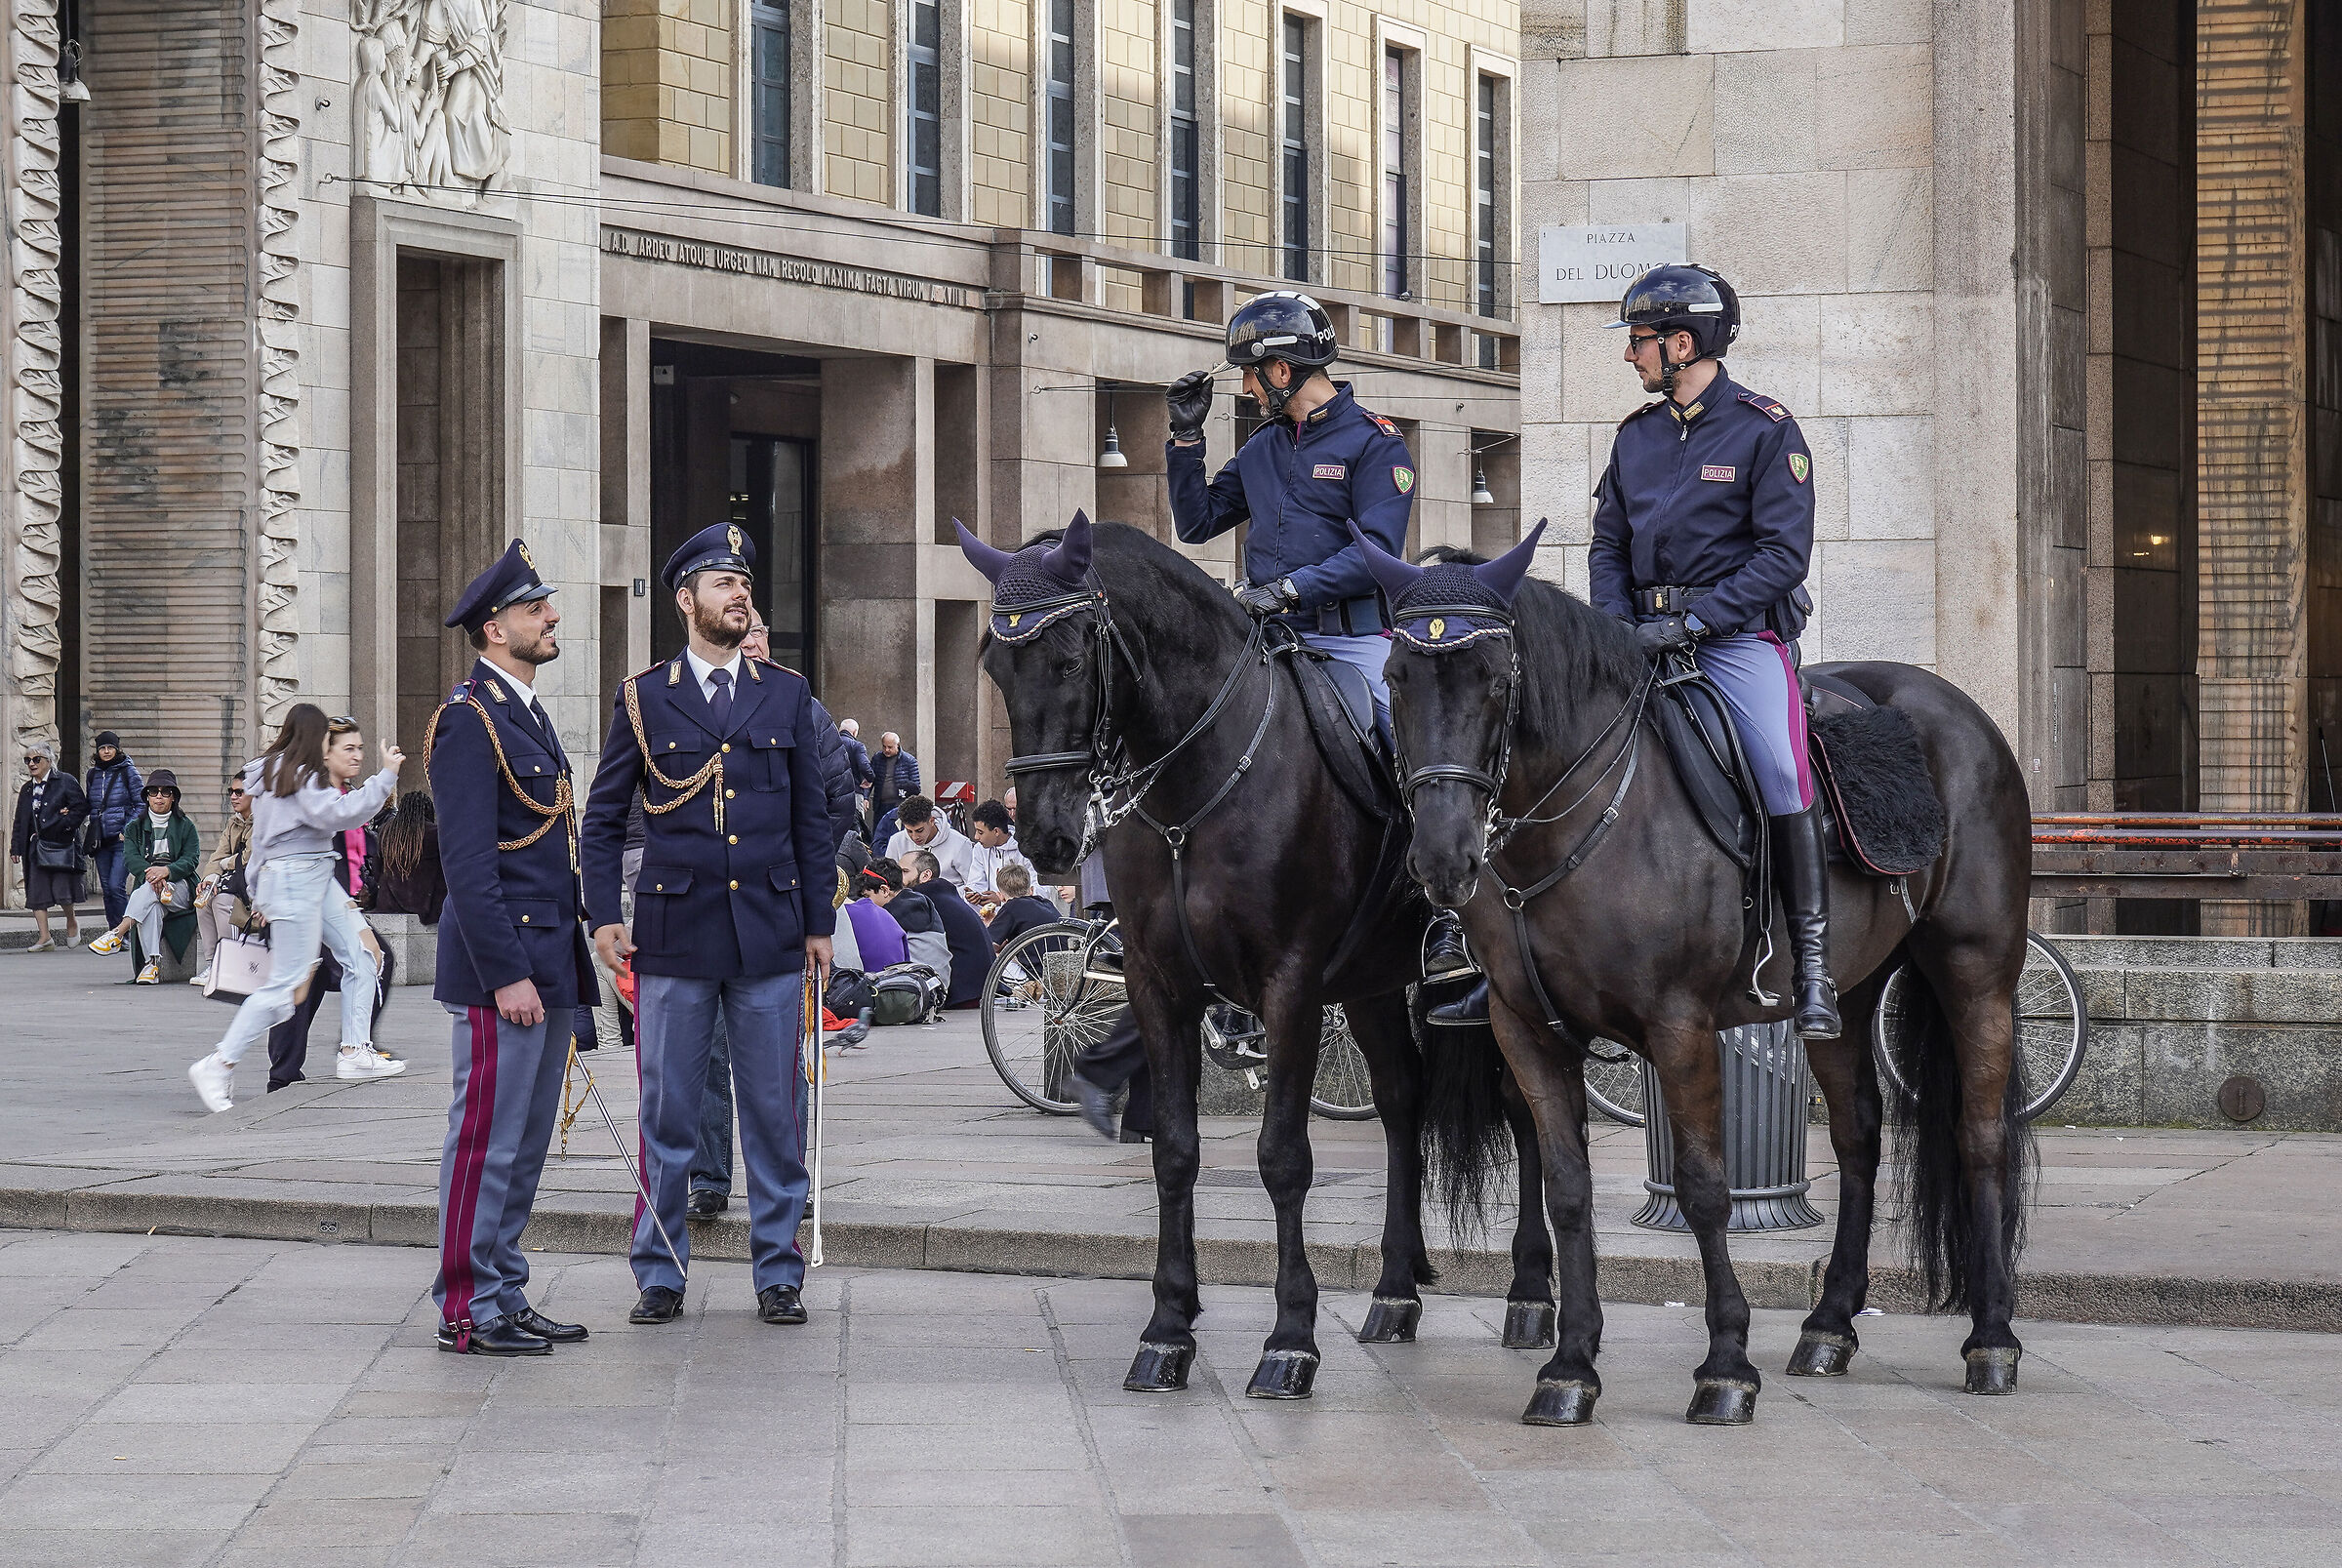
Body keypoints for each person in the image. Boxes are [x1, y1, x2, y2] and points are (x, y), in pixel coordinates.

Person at [1164, 290, 1471, 985]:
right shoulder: (1263, 447)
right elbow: (1198, 521)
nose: (1244, 385)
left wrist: (1293, 588)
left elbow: (1378, 550)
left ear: (1283, 369)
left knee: (1407, 745)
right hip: (1267, 640)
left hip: (1350, 640)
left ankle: (1444, 913)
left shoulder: (1374, 441)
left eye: (1250, 371)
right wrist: (1186, 440)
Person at [584, 521, 835, 1330]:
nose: (741, 594)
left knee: (773, 1108)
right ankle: (659, 1266)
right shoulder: (643, 696)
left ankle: (777, 1271)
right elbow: (601, 819)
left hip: (767, 931)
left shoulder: (787, 693)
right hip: (675, 934)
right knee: (669, 1111)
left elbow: (812, 817)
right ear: (685, 600)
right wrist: (600, 916)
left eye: (746, 583)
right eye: (724, 584)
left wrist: (820, 921)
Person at [1591, 263, 1834, 1038]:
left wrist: (1695, 625)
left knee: (1782, 771)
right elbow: (1607, 544)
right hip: (1638, 640)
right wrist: (1612, 627)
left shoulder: (1766, 430)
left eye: (1640, 342)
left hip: (1732, 643)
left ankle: (1813, 965)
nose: (1631, 357)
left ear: (1682, 343)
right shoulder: (1636, 438)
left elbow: (1781, 555)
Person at [425, 539, 602, 1355]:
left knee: (526, 1143)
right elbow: (466, 865)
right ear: (496, 628)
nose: (552, 616)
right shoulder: (468, 719)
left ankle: (505, 1286)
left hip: (548, 962)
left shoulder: (521, 711)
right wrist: (506, 975)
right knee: (486, 1141)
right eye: (538, 608)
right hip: (506, 971)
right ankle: (466, 1306)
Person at [686, 609, 862, 1221]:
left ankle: (789, 1181)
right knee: (705, 1054)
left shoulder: (800, 707)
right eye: (745, 636)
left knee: (783, 1059)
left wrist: (805, 877)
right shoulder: (682, 701)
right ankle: (709, 1177)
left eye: (761, 635)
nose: (752, 644)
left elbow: (836, 802)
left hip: (777, 904)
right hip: (702, 911)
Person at [187, 709, 402, 1112]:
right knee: (286, 987)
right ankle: (219, 1063)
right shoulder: (298, 776)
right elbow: (338, 815)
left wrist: (257, 890)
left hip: (307, 876)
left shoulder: (280, 773)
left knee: (365, 956)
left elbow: (262, 843)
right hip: (298, 881)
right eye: (330, 740)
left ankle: (356, 1050)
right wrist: (385, 776)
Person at [87, 771, 200, 983]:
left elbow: (191, 859)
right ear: (147, 796)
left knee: (147, 891)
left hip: (180, 888)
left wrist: (166, 872)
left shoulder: (186, 826)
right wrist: (153, 875)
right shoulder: (134, 827)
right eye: (154, 791)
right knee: (152, 907)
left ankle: (118, 933)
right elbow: (131, 859)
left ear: (173, 797)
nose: (159, 796)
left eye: (165, 792)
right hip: (151, 886)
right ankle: (152, 965)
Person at [11, 743, 88, 950]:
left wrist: (65, 824)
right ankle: (45, 938)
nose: (32, 764)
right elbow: (20, 820)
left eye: (36, 759)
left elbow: (80, 808)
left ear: (49, 761)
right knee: (36, 892)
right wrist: (16, 847)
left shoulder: (65, 781)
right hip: (35, 847)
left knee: (63, 889)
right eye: (28, 760)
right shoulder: (27, 789)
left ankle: (71, 922)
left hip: (60, 844)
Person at [905, 849, 989, 1009]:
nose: (898, 877)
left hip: (963, 993)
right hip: (982, 988)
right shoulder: (942, 893)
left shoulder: (923, 897)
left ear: (925, 875)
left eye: (904, 871)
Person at [192, 778, 255, 979]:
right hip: (234, 883)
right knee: (204, 899)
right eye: (231, 791)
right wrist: (210, 879)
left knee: (222, 902)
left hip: (256, 886)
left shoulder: (264, 821)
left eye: (239, 792)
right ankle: (212, 963)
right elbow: (218, 855)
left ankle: (227, 963)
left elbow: (249, 858)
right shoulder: (234, 822)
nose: (233, 797)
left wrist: (223, 864)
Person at [83, 731, 143, 931]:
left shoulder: (128, 771)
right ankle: (114, 932)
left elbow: (141, 804)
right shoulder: (92, 774)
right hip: (101, 840)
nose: (106, 751)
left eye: (110, 748)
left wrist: (127, 828)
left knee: (117, 887)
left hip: (121, 840)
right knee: (107, 889)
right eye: (102, 748)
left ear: (117, 749)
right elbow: (90, 804)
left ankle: (127, 932)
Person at [363, 789, 446, 923]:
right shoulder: (434, 833)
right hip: (428, 906)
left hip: (388, 903)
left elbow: (377, 869)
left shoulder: (385, 830)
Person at [881, 794, 972, 889]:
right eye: (909, 831)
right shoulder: (896, 841)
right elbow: (889, 880)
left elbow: (972, 884)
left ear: (932, 821)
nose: (915, 837)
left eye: (919, 830)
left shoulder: (960, 843)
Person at [960, 798, 1030, 911]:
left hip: (1020, 912)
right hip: (988, 913)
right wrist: (974, 894)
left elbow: (1038, 892)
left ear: (996, 831)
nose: (976, 837)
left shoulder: (1024, 849)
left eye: (980, 832)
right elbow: (976, 882)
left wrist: (1002, 901)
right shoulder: (979, 849)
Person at [984, 863, 1060, 950]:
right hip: (1062, 957)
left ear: (1000, 896)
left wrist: (989, 925)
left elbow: (988, 945)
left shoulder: (1011, 907)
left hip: (1037, 962)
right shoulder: (1046, 903)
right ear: (1031, 890)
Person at [869, 731, 918, 834]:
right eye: (884, 746)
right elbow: (870, 780)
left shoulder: (909, 761)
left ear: (898, 745)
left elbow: (916, 787)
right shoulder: (877, 758)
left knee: (897, 835)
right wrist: (865, 797)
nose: (886, 750)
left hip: (899, 806)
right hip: (880, 805)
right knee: (879, 834)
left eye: (890, 747)